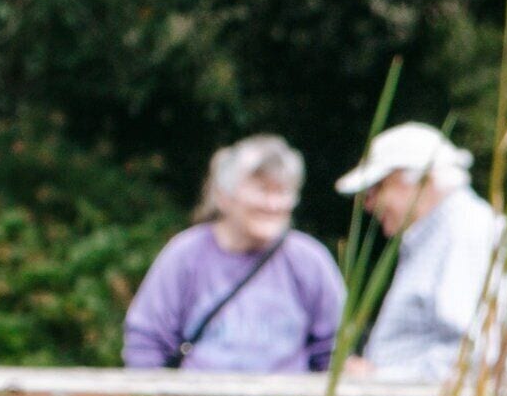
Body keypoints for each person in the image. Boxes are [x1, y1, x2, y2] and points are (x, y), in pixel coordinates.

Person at [338, 122, 507, 385]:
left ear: (420, 181)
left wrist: (381, 379)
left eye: (376, 189)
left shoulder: (466, 233)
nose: (368, 204)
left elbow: (478, 353)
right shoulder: (441, 233)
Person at [122, 136, 345, 373]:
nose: (272, 204)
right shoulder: (186, 255)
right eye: (261, 190)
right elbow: (145, 342)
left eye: (282, 192)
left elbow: (334, 349)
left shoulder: (309, 260)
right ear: (223, 197)